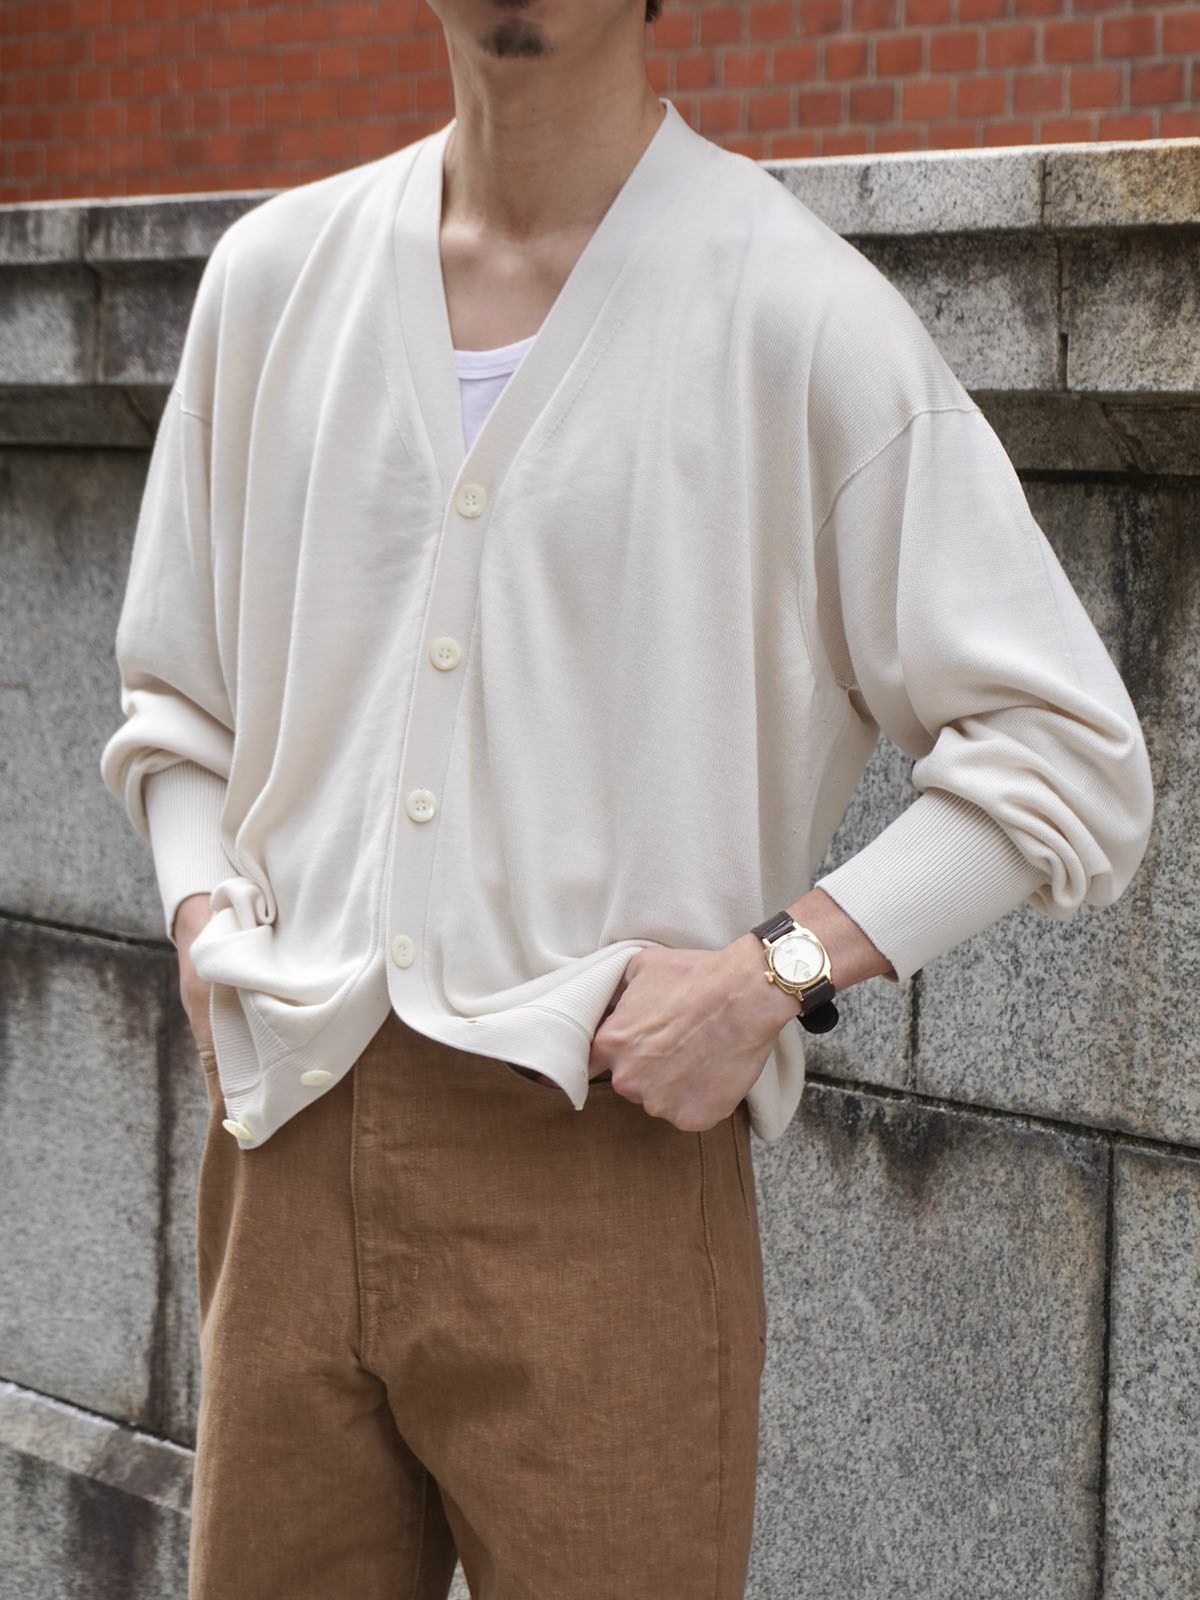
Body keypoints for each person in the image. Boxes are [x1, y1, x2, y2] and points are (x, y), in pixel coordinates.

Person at [98, 2, 1155, 1595]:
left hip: (605, 1162)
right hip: (287, 1141)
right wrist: (196, 908)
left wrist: (772, 972)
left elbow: (1068, 750)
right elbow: (177, 698)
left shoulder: (798, 317)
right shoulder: (270, 282)